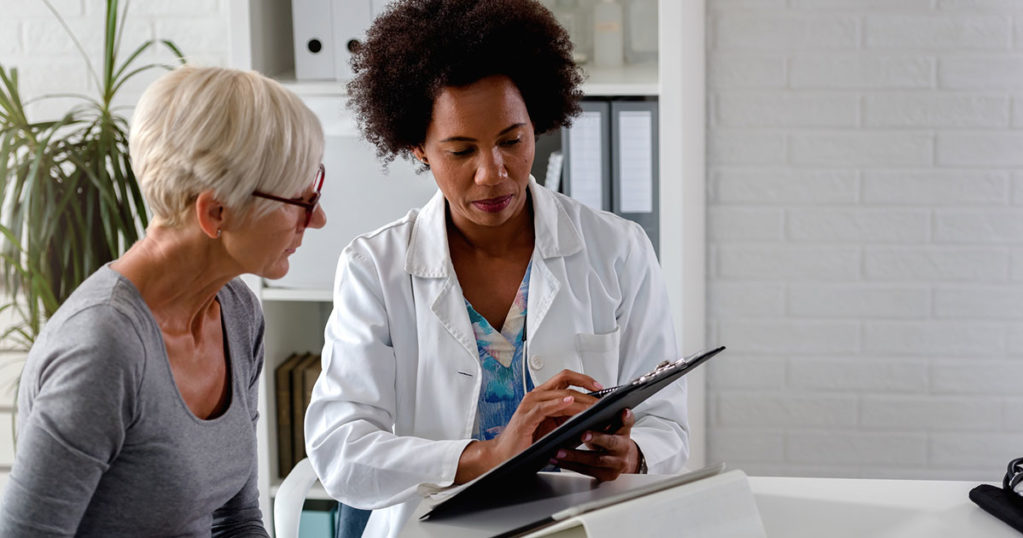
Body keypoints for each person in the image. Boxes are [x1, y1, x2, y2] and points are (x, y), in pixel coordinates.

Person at [304, 0, 687, 536]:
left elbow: (668, 423)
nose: (493, 174)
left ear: (538, 122)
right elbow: (341, 450)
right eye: (461, 151)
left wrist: (633, 456)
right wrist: (485, 456)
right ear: (417, 147)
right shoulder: (375, 268)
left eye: (512, 140)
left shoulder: (618, 249)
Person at [0, 65, 326, 536]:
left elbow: (235, 519)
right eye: (301, 200)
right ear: (216, 212)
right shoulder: (103, 348)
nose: (316, 220)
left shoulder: (236, 313)